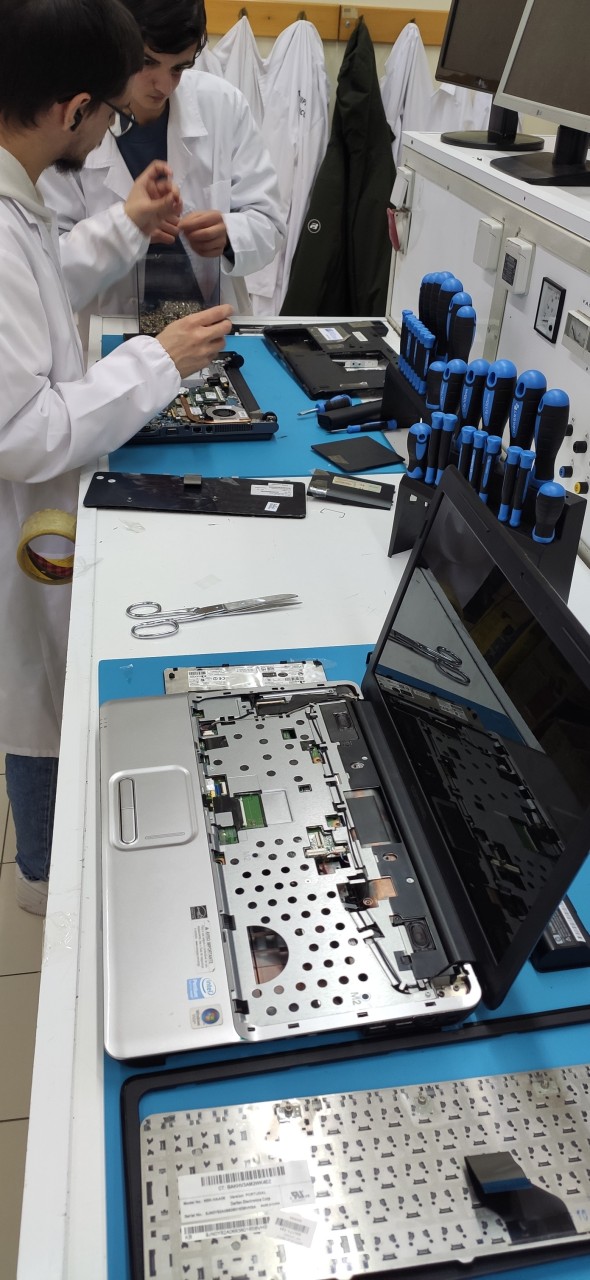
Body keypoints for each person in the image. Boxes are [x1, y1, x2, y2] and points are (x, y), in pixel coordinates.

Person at [0, 0, 233, 915]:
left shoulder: (15, 198)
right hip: (23, 521)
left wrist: (128, 221)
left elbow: (44, 280)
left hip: (42, 513)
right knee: (36, 696)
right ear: (73, 109)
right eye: (107, 115)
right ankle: (46, 882)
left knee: (44, 686)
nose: (113, 132)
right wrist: (156, 361)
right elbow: (23, 429)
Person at [40, 0, 287, 325]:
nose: (165, 86)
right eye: (147, 63)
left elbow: (270, 224)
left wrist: (229, 235)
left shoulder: (223, 105)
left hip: (211, 325)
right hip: (114, 332)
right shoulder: (73, 120)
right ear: (115, 45)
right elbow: (47, 262)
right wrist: (126, 227)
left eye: (179, 68)